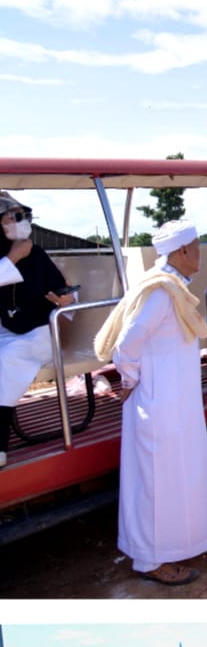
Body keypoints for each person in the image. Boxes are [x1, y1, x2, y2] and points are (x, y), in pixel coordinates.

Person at [95, 219, 207, 584]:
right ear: (182, 251)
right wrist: (131, 381)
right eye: (197, 247)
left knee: (174, 478)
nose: (200, 253)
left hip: (174, 403)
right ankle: (150, 561)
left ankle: (173, 547)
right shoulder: (160, 292)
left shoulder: (172, 287)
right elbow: (127, 344)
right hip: (157, 404)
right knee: (155, 484)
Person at [0, 192, 76, 468]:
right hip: (5, 329)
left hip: (38, 333)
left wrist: (66, 298)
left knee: (5, 360)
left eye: (24, 216)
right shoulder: (7, 253)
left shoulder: (37, 253)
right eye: (14, 217)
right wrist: (12, 258)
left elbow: (64, 290)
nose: (22, 222)